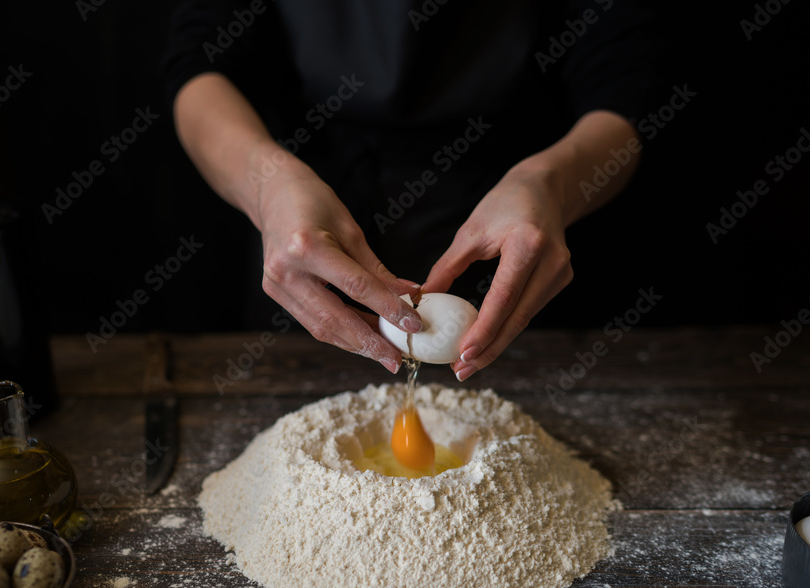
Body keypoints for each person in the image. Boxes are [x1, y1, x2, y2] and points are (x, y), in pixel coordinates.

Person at [164, 0, 658, 381]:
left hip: (514, 240)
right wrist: (266, 182)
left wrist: (547, 184)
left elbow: (625, 79)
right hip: (308, 239)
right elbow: (200, 61)